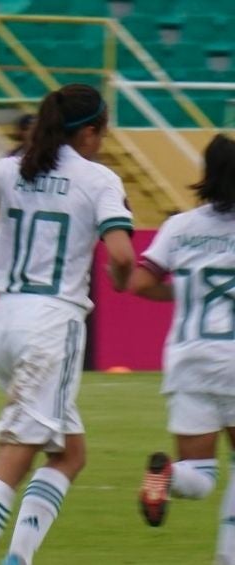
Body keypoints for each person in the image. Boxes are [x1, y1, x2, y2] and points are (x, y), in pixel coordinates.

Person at [0, 83, 135, 565]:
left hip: (4, 321)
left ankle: (20, 558)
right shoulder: (98, 179)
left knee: (70, 454)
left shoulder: (13, 167)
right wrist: (119, 276)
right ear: (89, 132)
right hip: (51, 325)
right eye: (102, 130)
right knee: (15, 452)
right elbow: (121, 254)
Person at [130, 133, 235, 565]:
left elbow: (140, 282)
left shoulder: (179, 227)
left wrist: (187, 295)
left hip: (188, 360)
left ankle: (170, 475)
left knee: (202, 474)